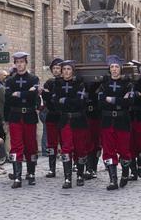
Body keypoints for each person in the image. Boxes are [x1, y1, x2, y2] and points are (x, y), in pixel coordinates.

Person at [4, 52, 39, 188]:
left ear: (26, 63)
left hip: (29, 116)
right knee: (16, 146)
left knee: (31, 145)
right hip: (15, 116)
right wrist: (25, 93)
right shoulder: (10, 80)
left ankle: (31, 173)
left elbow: (33, 96)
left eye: (22, 62)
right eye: (17, 62)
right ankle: (17, 176)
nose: (19, 64)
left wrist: (17, 93)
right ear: (15, 64)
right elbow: (8, 98)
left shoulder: (33, 79)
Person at [99, 55, 134, 191]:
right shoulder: (103, 84)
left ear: (121, 69)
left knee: (124, 150)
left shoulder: (127, 84)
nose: (114, 69)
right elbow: (101, 102)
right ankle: (113, 179)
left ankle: (125, 173)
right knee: (108, 150)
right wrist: (119, 100)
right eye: (112, 67)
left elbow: (129, 101)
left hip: (122, 120)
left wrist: (111, 100)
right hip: (107, 121)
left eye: (116, 67)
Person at [53, 60, 88, 189]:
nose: (66, 72)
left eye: (69, 69)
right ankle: (67, 178)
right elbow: (56, 102)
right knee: (66, 148)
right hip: (65, 120)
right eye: (64, 69)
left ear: (73, 71)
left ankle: (80, 174)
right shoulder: (58, 84)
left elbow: (80, 102)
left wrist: (66, 100)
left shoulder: (79, 84)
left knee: (80, 148)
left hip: (78, 120)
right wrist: (70, 101)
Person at [42, 57, 63, 178]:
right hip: (52, 115)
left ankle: (70, 165)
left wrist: (50, 96)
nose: (56, 70)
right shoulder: (49, 82)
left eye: (58, 68)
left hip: (63, 116)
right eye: (54, 68)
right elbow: (47, 100)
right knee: (52, 143)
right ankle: (52, 168)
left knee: (66, 142)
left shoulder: (66, 82)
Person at [84, 80, 101, 180]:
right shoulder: (82, 82)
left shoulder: (101, 83)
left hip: (98, 115)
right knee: (87, 142)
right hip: (85, 115)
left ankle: (94, 167)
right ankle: (89, 168)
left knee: (97, 142)